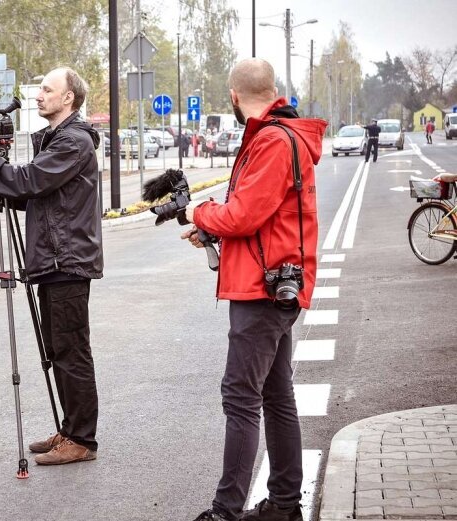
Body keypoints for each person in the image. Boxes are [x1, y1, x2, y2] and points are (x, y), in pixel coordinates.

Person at [181, 58, 326, 521]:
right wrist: (211, 229)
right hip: (275, 281)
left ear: (236, 98)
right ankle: (284, 504)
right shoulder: (284, 136)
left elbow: (244, 215)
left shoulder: (271, 141)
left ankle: (226, 511)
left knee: (240, 397)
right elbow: (257, 214)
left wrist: (197, 215)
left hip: (262, 290)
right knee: (276, 393)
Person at [0, 67, 103, 466]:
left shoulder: (73, 142)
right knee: (58, 348)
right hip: (56, 260)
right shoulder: (58, 140)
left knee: (71, 351)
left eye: (47, 89)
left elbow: (29, 182)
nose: (39, 95)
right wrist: (3, 175)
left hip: (67, 261)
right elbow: (35, 194)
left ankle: (82, 439)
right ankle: (70, 428)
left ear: (68, 99)